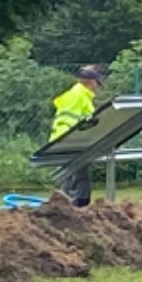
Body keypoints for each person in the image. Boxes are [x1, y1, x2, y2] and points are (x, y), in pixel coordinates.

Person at [49, 65, 103, 207]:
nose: (98, 86)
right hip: (68, 140)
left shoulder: (79, 95)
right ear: (92, 82)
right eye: (98, 82)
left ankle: (77, 207)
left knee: (79, 176)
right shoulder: (78, 96)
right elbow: (70, 121)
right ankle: (68, 209)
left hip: (70, 139)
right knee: (72, 178)